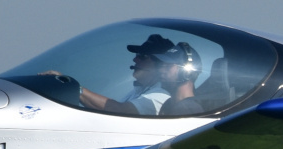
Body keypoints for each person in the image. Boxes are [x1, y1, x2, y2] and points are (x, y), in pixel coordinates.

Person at [46, 33, 204, 116]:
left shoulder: (166, 98)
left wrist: (73, 88)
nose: (135, 59)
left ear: (184, 71)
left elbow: (119, 111)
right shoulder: (163, 101)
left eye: (143, 56)